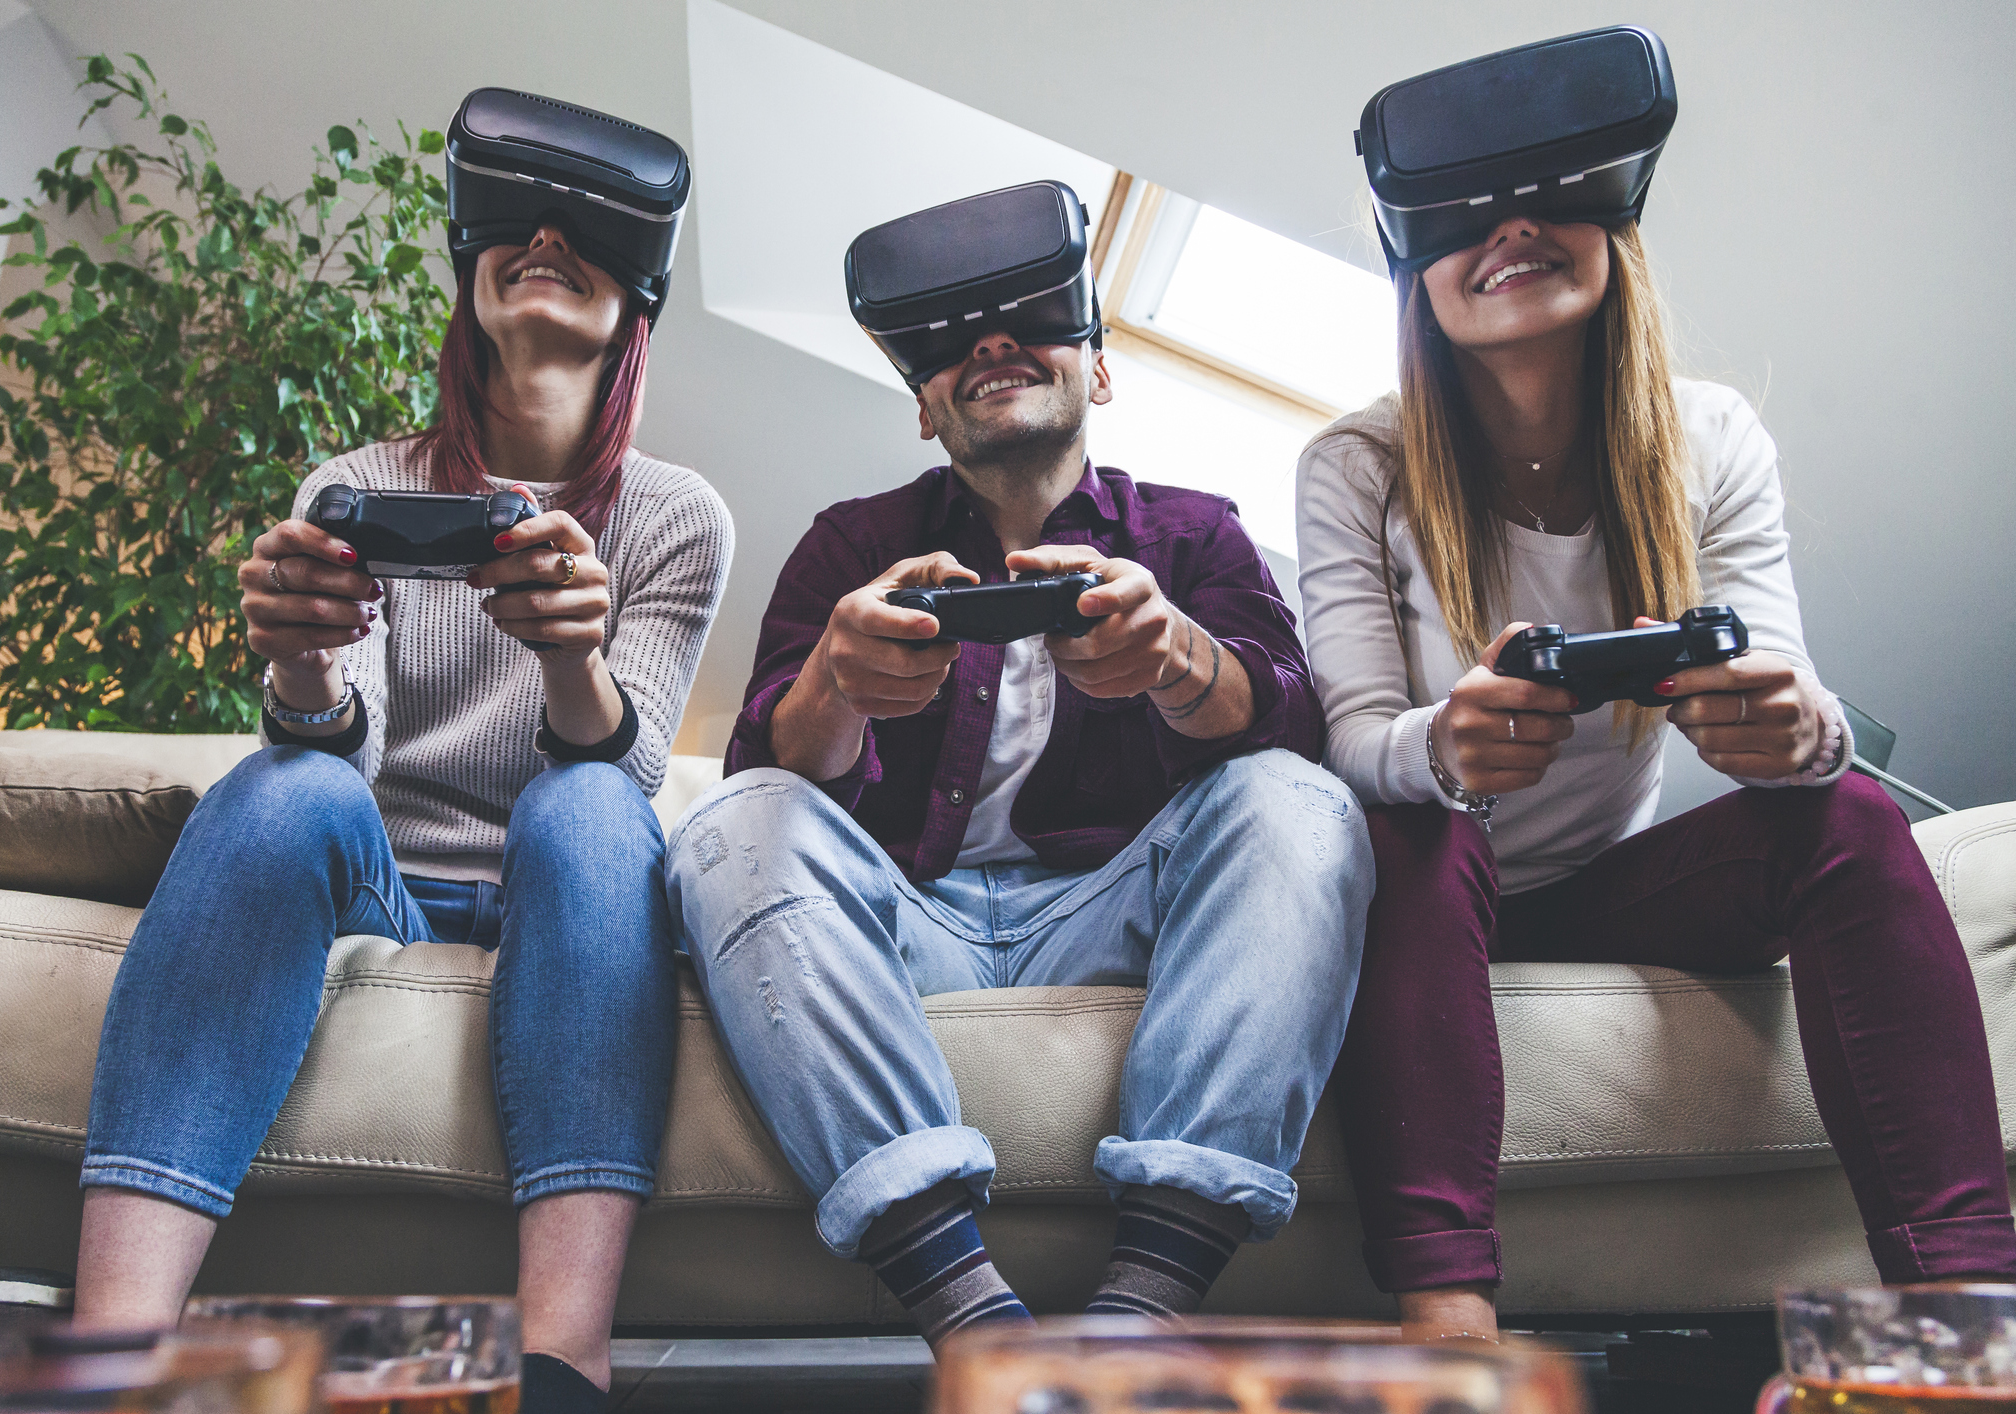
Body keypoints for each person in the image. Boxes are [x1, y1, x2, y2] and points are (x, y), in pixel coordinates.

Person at [668, 184, 1371, 1350]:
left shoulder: (1194, 534)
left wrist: (1181, 662)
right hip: (909, 921)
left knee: (1301, 799)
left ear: (1099, 368)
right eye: (947, 341)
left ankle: (1140, 1317)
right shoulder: (851, 544)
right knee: (728, 823)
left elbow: (1294, 733)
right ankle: (971, 1317)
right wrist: (835, 685)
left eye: (1029, 318)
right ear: (925, 409)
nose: (988, 344)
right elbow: (765, 783)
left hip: (1123, 911)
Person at [1295, 209, 2016, 1338]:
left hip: (1599, 895)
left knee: (1850, 810)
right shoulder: (1357, 463)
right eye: (1464, 210)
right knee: (1409, 827)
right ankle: (1452, 1334)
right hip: (1425, 900)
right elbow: (1354, 737)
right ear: (1411, 267)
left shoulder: (1708, 434)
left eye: (1554, 188)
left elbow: (1792, 682)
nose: (1514, 225)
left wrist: (1797, 733)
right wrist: (1443, 746)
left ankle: (1969, 1320)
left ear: (1617, 222)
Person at [72, 213, 733, 1412]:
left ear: (638, 302)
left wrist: (570, 653)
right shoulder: (353, 483)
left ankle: (562, 1366)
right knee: (289, 787)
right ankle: (112, 1355)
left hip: (561, 882)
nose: (542, 232)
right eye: (514, 216)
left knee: (585, 807)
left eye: (585, 223)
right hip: (384, 873)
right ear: (466, 275)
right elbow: (346, 746)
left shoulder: (678, 514)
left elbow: (624, 777)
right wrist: (304, 663)